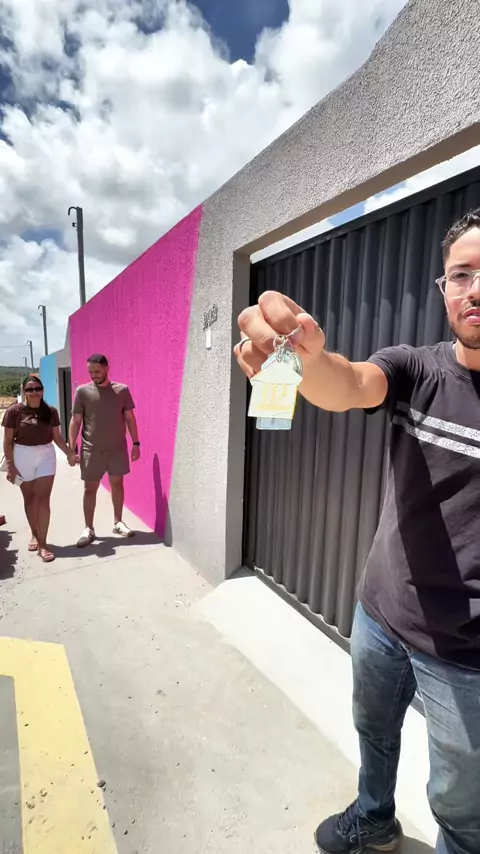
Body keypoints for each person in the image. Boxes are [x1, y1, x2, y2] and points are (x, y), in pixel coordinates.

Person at [235, 209, 480, 854]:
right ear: (443, 288)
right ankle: (374, 820)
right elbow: (347, 384)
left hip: (466, 653)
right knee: (374, 734)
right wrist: (303, 361)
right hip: (381, 614)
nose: (475, 290)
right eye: (461, 274)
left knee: (463, 808)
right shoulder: (415, 369)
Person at [2, 374, 78, 562]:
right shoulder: (14, 411)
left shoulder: (50, 411)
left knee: (44, 499)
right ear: (24, 392)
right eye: (30, 389)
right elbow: (7, 441)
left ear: (42, 391)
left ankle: (43, 544)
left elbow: (57, 437)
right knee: (30, 498)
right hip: (22, 455)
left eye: (37, 389)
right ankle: (34, 533)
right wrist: (11, 466)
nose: (34, 392)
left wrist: (69, 453)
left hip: (45, 455)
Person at [69, 354, 140, 547]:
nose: (93, 375)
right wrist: (71, 449)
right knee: (89, 488)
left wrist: (136, 443)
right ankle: (88, 528)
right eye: (90, 372)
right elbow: (75, 421)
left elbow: (130, 418)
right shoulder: (82, 392)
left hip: (117, 448)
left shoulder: (122, 390)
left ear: (107, 368)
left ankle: (118, 522)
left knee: (117, 484)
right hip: (91, 449)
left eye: (97, 371)